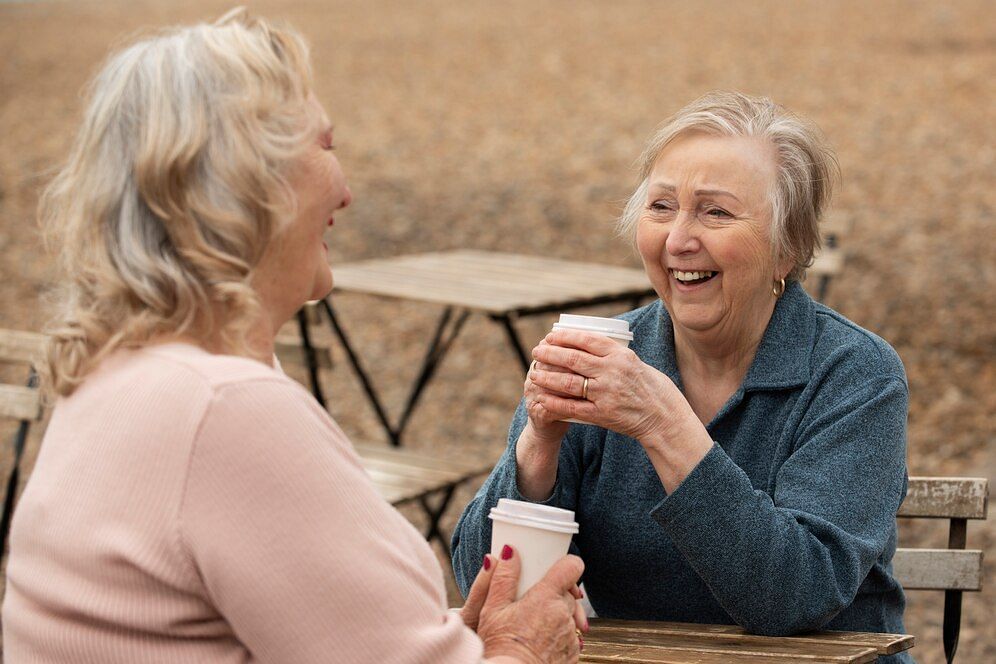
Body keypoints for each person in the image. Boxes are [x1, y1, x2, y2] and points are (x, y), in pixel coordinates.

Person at [1, 10, 587, 663]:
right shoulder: (223, 408)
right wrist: (524, 647)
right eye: (326, 146)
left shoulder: (122, 370)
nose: (346, 189)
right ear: (253, 184)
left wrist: (454, 637)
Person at [452, 91, 911, 662]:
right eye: (661, 207)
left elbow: (793, 597)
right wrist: (537, 450)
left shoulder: (854, 374)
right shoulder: (603, 355)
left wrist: (661, 422)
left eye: (715, 212)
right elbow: (485, 586)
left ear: (787, 248)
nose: (677, 240)